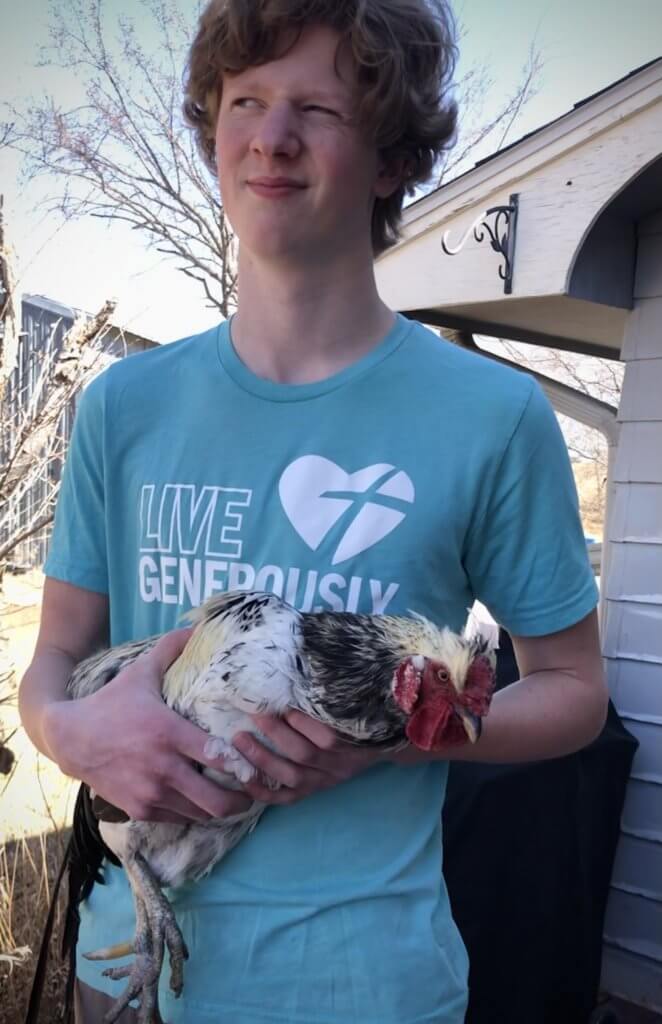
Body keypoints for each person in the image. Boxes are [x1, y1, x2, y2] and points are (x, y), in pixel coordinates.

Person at [19, 1, 608, 1021]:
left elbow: (570, 690)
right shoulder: (124, 405)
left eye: (317, 107)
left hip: (364, 984)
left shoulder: (489, 413)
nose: (270, 137)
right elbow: (51, 666)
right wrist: (75, 735)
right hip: (126, 971)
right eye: (244, 101)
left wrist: (411, 733)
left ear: (387, 158)